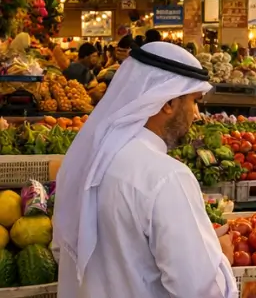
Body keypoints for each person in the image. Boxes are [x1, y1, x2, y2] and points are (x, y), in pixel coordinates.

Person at [56, 42, 236, 297]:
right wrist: (222, 260)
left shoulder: (90, 160)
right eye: (194, 101)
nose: (196, 115)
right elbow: (198, 290)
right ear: (169, 102)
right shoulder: (167, 177)